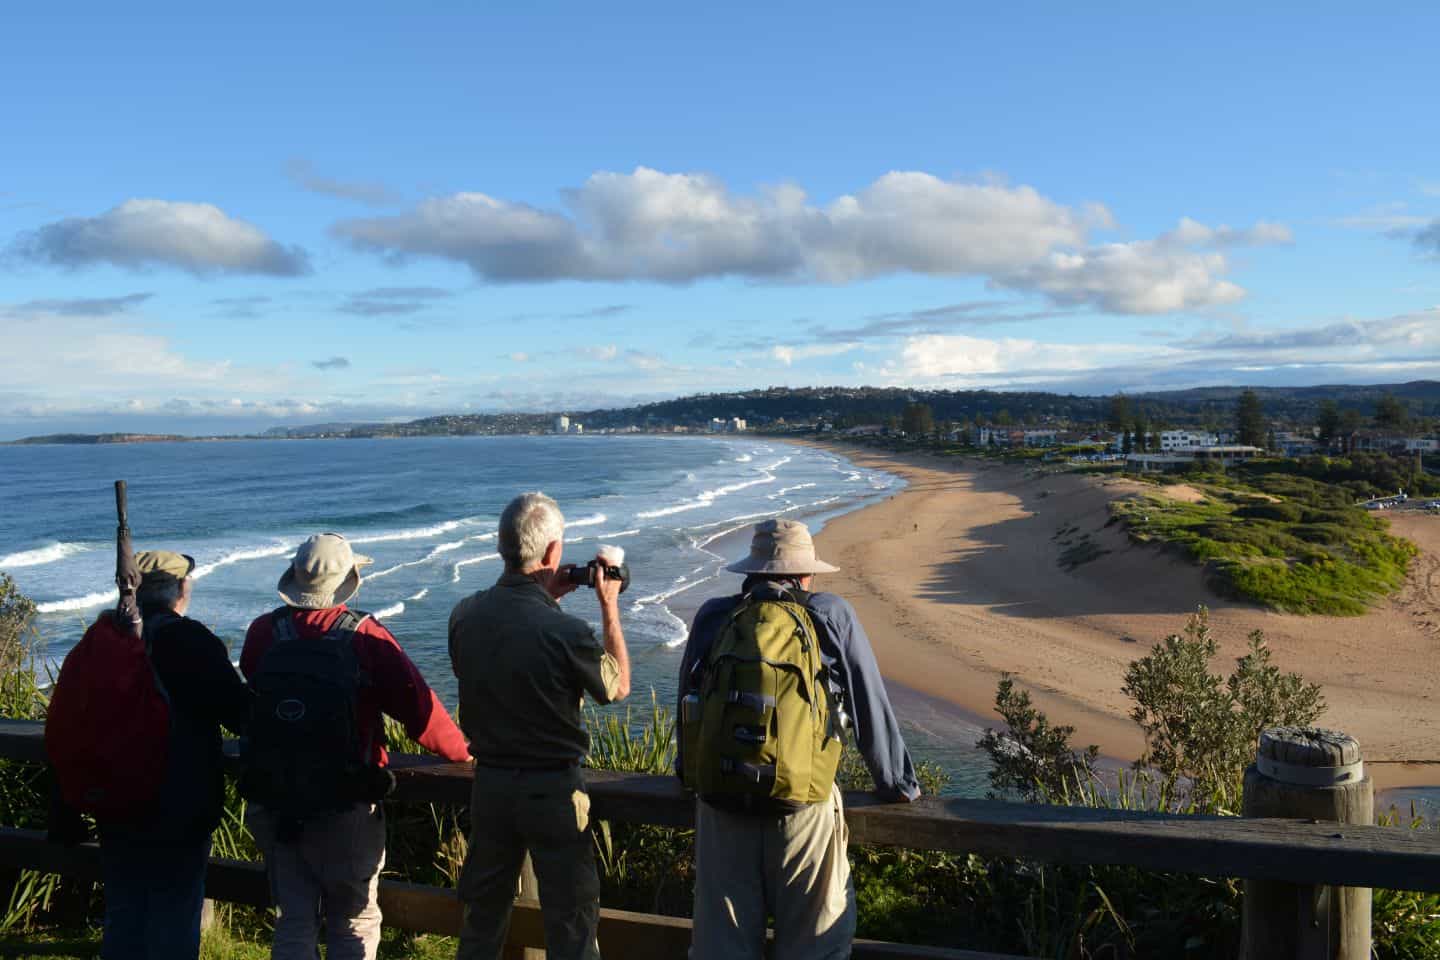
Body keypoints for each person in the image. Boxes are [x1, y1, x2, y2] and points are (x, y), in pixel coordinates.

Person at [677, 518, 922, 960]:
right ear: (805, 572)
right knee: (814, 945)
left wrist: (687, 773)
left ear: (750, 570)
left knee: (722, 950)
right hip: (803, 810)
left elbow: (689, 706)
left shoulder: (715, 616)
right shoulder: (830, 613)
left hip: (721, 807)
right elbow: (869, 704)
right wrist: (896, 783)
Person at [240, 532, 470, 960]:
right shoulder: (363, 636)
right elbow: (420, 710)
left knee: (294, 918)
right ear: (348, 581)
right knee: (353, 920)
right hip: (344, 802)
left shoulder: (264, 632)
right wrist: (463, 752)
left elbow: (253, 696)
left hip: (277, 800)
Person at [449, 492, 632, 960]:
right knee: (571, 922)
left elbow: (503, 646)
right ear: (552, 553)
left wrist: (542, 596)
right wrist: (608, 605)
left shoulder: (464, 615)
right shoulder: (565, 631)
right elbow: (616, 688)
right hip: (552, 791)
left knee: (482, 920)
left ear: (500, 547)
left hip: (488, 784)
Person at [99, 550, 253, 960]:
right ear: (181, 590)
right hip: (179, 799)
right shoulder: (190, 640)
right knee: (174, 910)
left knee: (124, 909)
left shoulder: (102, 639)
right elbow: (240, 713)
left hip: (112, 796)